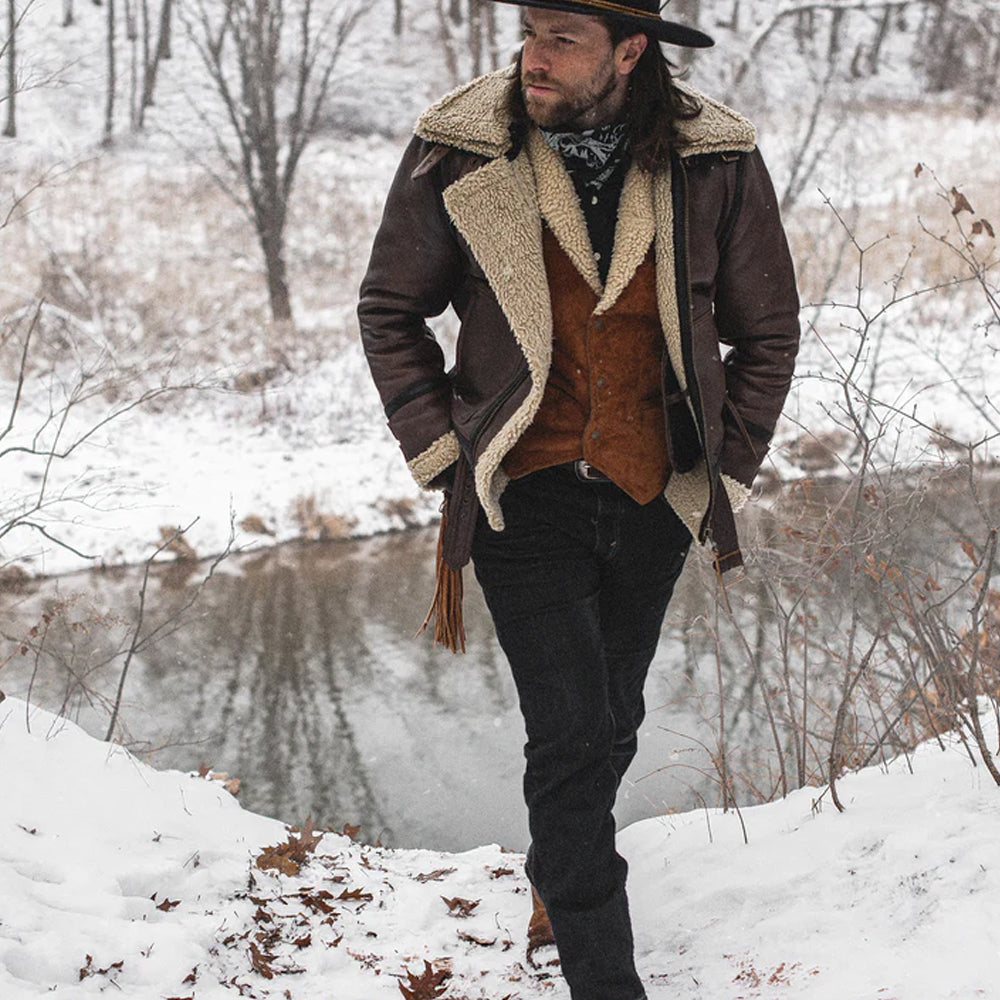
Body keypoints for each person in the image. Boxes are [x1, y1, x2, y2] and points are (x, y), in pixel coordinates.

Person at [357, 1, 800, 996]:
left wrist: (726, 467)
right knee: (571, 734)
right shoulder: (458, 151)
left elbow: (767, 331)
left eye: (561, 39)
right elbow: (389, 310)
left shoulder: (712, 160)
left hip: (654, 488)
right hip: (523, 492)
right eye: (528, 33)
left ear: (628, 52)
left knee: (614, 716)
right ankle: (602, 973)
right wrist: (441, 453)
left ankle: (560, 874)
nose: (532, 58)